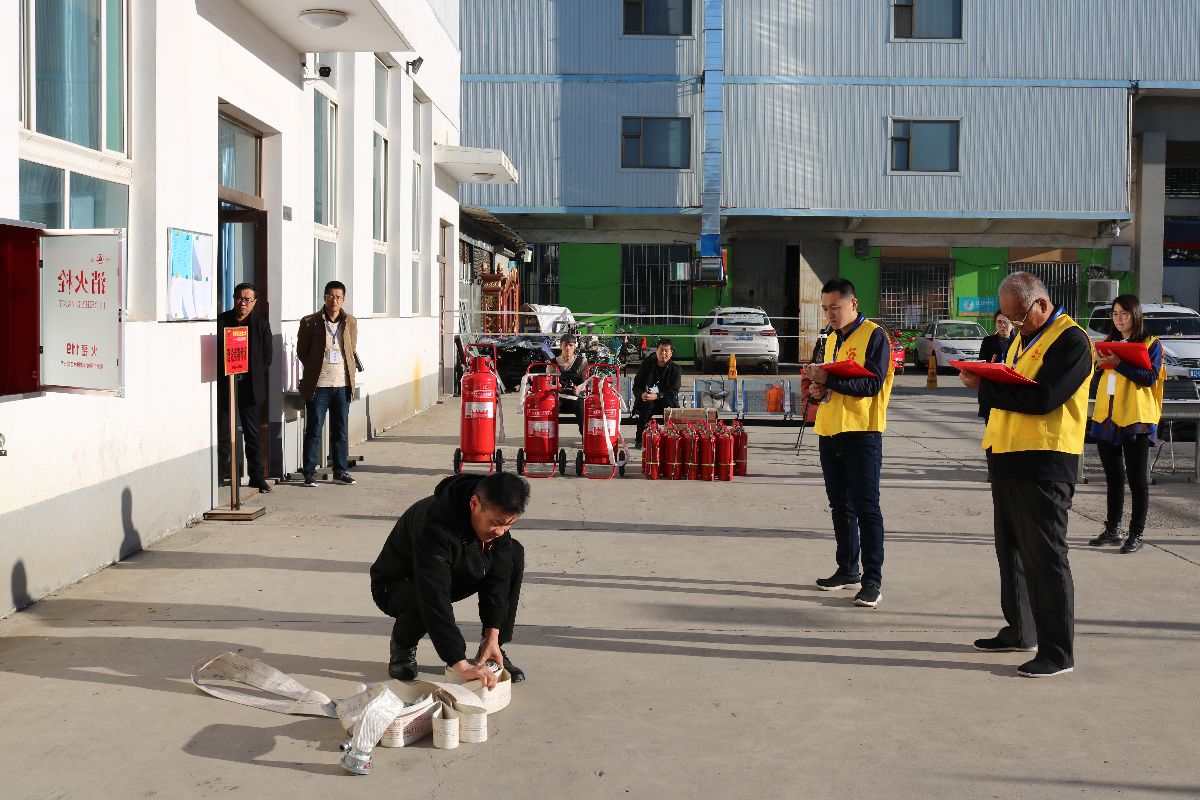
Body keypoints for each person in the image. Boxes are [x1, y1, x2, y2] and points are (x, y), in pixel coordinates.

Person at [960, 272, 1092, 678]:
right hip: (1008, 456)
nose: (1013, 325)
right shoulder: (1023, 337)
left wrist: (984, 387)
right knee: (1011, 551)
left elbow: (1043, 398)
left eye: (1018, 317)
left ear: (1041, 303)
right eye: (1008, 318)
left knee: (1046, 559)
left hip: (1045, 462)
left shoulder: (1072, 340)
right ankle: (1021, 629)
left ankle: (1057, 652)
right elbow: (1017, 386)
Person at [370, 472, 530, 687]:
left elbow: (499, 580)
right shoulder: (435, 525)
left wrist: (493, 633)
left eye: (509, 525)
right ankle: (402, 645)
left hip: (455, 571)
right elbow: (433, 594)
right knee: (421, 597)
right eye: (495, 522)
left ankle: (491, 651)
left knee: (512, 554)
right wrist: (459, 663)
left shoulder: (497, 521)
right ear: (474, 504)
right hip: (401, 583)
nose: (500, 531)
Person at [802, 278, 894, 609]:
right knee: (840, 505)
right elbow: (830, 381)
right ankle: (847, 569)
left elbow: (871, 383)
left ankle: (872, 581)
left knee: (867, 507)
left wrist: (831, 381)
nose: (829, 313)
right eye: (825, 308)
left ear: (853, 304)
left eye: (835, 307)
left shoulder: (875, 336)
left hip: (862, 431)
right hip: (830, 430)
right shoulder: (830, 340)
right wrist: (820, 389)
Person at [1086, 294, 1164, 554]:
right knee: (1113, 478)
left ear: (1135, 315)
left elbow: (1149, 378)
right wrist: (1098, 367)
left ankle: (1136, 533)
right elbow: (1097, 383)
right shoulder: (1107, 343)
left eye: (1124, 314)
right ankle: (1113, 529)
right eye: (1115, 314)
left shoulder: (1150, 343)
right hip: (1106, 417)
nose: (1119, 319)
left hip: (1135, 419)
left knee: (1137, 480)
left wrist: (1119, 365)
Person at [297, 280, 358, 487]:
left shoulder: (350, 321)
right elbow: (302, 352)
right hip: (319, 386)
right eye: (331, 296)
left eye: (339, 297)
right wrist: (315, 368)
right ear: (324, 297)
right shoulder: (310, 322)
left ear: (343, 299)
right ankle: (309, 472)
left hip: (342, 384)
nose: (335, 300)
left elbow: (351, 349)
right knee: (314, 430)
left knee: (340, 431)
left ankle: (340, 471)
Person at [217, 283, 274, 493]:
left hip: (250, 387)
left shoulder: (261, 325)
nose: (242, 303)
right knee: (223, 432)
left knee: (253, 434)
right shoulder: (222, 321)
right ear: (234, 299)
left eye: (247, 300)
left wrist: (253, 372)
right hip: (225, 385)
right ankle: (220, 475)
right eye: (239, 298)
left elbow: (267, 357)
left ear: (254, 303)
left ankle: (256, 476)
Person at [631, 338, 682, 443]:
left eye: (666, 351)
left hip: (664, 399)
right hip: (649, 399)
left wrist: (658, 395)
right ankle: (640, 439)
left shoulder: (676, 369)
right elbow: (637, 385)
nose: (663, 353)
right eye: (661, 350)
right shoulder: (647, 365)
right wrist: (641, 395)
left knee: (669, 405)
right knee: (646, 403)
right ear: (656, 351)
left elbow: (673, 391)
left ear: (671, 353)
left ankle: (671, 439)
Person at [977, 310, 1015, 422]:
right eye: (999, 322)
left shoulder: (1020, 341)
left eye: (1006, 322)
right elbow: (981, 363)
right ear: (995, 324)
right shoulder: (988, 341)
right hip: (991, 388)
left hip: (1011, 390)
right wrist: (990, 365)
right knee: (990, 427)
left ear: (1013, 324)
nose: (1003, 325)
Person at [555, 333, 588, 436]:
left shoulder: (582, 362)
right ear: (560, 346)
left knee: (582, 406)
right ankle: (548, 439)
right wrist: (555, 387)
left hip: (576, 399)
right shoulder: (552, 363)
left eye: (571, 345)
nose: (568, 348)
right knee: (547, 406)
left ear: (575, 347)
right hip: (558, 399)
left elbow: (587, 382)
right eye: (565, 345)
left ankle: (586, 438)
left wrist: (579, 388)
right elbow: (547, 384)